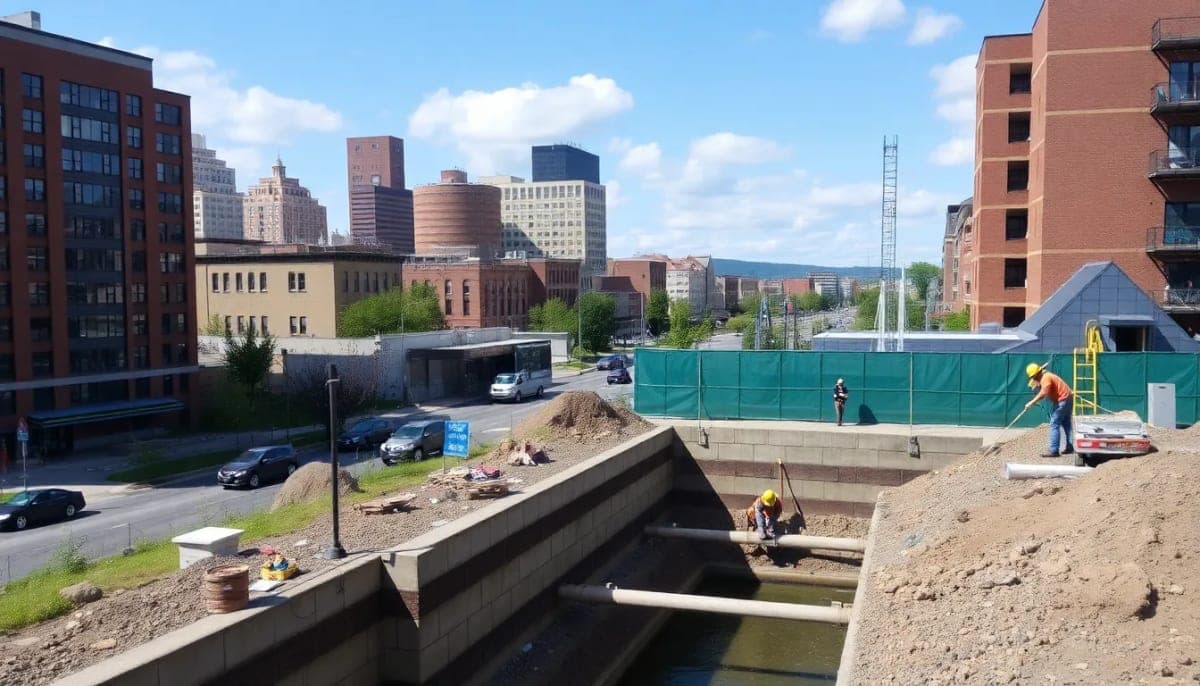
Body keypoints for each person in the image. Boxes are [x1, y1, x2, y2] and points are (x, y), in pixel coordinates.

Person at [1023, 363, 1074, 457]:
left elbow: (1043, 393)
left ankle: (1054, 450)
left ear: (1037, 374)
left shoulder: (1046, 378)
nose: (1033, 379)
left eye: (1033, 377)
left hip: (1062, 400)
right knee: (1066, 424)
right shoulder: (1046, 376)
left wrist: (1031, 402)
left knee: (1054, 423)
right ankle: (1070, 446)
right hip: (1067, 398)